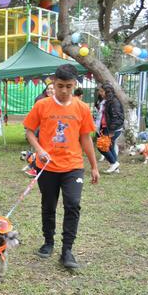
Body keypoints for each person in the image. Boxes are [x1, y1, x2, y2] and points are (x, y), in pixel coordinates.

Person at [23, 64, 99, 269]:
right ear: (53, 84)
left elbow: (86, 138)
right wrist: (39, 149)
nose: (64, 91)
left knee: (73, 204)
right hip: (46, 166)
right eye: (59, 86)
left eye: (68, 86)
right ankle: (48, 242)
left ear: (74, 85)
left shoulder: (82, 108)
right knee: (48, 205)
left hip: (73, 166)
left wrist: (93, 166)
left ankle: (67, 250)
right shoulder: (42, 105)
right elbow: (29, 131)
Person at [98, 84, 125, 173]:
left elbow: (117, 117)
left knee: (101, 146)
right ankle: (115, 167)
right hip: (106, 128)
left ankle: (114, 163)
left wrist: (112, 130)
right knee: (110, 146)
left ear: (107, 92)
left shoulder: (114, 102)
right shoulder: (106, 101)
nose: (100, 93)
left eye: (102, 91)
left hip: (113, 129)